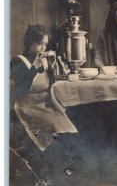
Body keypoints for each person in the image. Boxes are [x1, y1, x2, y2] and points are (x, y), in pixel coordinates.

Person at [10, 24, 78, 152]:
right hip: (27, 106)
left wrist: (51, 67)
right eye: (40, 44)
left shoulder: (44, 60)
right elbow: (22, 90)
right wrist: (35, 66)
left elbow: (49, 85)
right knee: (51, 129)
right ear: (30, 42)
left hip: (45, 104)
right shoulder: (17, 61)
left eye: (45, 45)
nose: (43, 48)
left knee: (67, 126)